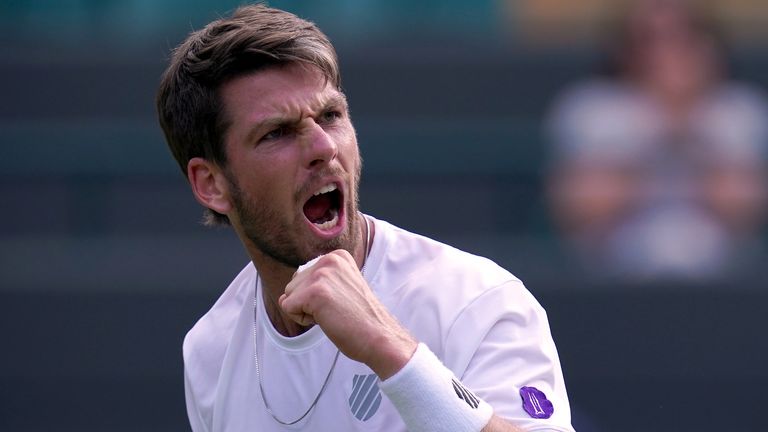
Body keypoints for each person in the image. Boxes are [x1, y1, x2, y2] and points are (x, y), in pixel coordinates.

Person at [156, 4, 574, 431]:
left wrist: (390, 350)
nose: (323, 147)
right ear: (211, 183)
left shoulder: (475, 301)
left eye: (331, 116)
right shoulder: (210, 351)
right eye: (276, 133)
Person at [546, 0, 768, 281]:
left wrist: (685, 129)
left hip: (723, 278)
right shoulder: (591, 107)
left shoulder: (738, 108)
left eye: (684, 36)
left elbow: (740, 207)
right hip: (613, 277)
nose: (666, 52)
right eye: (649, 38)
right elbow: (585, 207)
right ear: (623, 46)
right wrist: (657, 137)